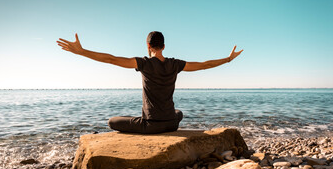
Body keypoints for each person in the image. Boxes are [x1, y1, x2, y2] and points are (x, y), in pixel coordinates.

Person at [57, 31, 243, 134]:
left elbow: (111, 59)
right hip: (171, 123)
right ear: (163, 46)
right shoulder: (175, 64)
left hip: (151, 125)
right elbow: (204, 65)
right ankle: (169, 119)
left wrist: (82, 51)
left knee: (112, 121)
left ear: (148, 46)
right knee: (179, 113)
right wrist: (228, 59)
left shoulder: (144, 63)